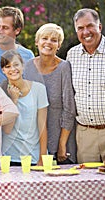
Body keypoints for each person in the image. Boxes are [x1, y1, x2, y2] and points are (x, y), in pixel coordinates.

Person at [66, 8, 105, 163]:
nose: (86, 32)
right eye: (80, 28)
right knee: (86, 183)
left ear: (100, 27)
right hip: (85, 135)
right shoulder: (72, 55)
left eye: (90, 26)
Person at [23, 23, 77, 164]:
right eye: (44, 38)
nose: (48, 43)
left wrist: (61, 145)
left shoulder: (64, 67)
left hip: (60, 139)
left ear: (59, 45)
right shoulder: (27, 67)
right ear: (37, 42)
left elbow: (69, 109)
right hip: (33, 142)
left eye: (54, 40)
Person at [0, 49, 48, 166]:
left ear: (23, 66)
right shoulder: (0, 91)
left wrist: (42, 157)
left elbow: (42, 126)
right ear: (3, 70)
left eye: (16, 64)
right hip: (9, 157)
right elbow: (7, 130)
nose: (13, 69)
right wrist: (14, 100)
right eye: (8, 66)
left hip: (33, 156)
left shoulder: (39, 89)